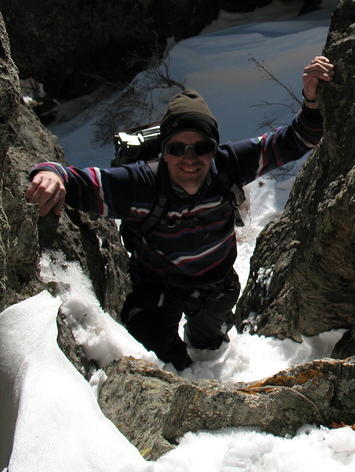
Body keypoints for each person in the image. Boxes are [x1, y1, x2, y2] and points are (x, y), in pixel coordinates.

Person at [25, 56, 334, 370]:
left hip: (215, 286)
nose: (190, 158)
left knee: (210, 349)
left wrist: (312, 98)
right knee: (158, 358)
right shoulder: (141, 184)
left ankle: (208, 360)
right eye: (177, 148)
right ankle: (177, 366)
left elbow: (295, 139)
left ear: (213, 148)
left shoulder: (228, 165)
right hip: (158, 288)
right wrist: (50, 174)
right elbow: (82, 182)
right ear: (164, 151)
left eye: (200, 147)